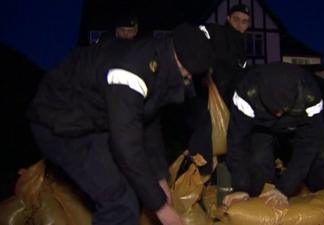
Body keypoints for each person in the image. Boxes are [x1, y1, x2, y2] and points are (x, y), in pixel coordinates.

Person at [27, 24, 215, 225]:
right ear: (180, 60)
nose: (188, 79)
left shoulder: (160, 60)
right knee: (120, 202)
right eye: (189, 74)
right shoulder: (133, 70)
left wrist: (160, 177)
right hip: (60, 120)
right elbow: (126, 145)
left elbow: (148, 124)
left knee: (132, 189)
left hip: (93, 120)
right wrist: (160, 207)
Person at [224, 62, 324, 206]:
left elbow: (309, 143)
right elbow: (237, 142)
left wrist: (285, 188)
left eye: (282, 109)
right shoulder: (246, 92)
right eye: (274, 109)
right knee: (259, 159)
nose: (278, 114)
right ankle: (261, 206)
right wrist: (240, 187)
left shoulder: (310, 93)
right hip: (261, 126)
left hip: (299, 125)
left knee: (323, 157)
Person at [186, 4, 250, 174]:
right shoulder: (215, 31)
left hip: (228, 102)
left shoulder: (242, 47)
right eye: (236, 19)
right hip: (206, 96)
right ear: (228, 19)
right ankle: (197, 180)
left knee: (227, 143)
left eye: (244, 22)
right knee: (203, 142)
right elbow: (195, 37)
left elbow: (239, 75)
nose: (239, 24)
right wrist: (203, 70)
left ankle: (219, 181)